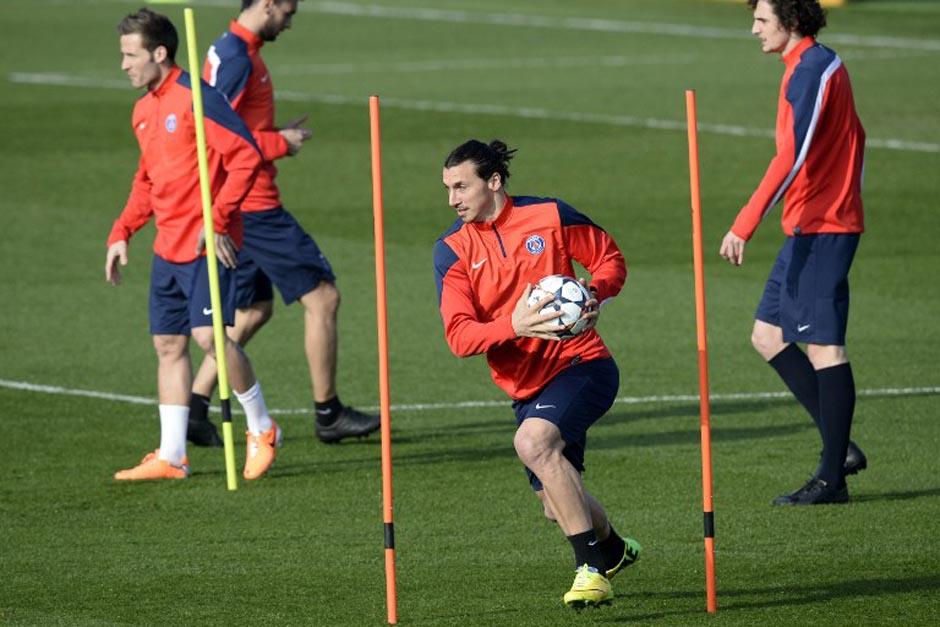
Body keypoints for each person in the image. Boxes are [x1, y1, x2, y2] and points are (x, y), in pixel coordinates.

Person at [433, 140, 642, 608]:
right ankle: (613, 549)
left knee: (533, 444)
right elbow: (460, 337)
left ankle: (590, 571)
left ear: (493, 181)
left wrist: (595, 293)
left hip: (582, 364)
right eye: (447, 189)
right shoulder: (451, 250)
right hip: (525, 386)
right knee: (555, 505)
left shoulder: (550, 216)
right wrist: (515, 325)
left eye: (461, 186)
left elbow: (609, 259)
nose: (452, 200)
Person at [185, 0, 380, 447]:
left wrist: (274, 135)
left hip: (239, 205)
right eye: (287, 12)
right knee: (324, 297)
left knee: (255, 310)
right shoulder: (237, 59)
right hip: (252, 205)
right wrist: (277, 143)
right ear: (268, 4)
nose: (289, 23)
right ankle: (328, 413)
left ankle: (195, 409)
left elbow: (231, 126)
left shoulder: (234, 50)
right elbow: (210, 133)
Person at [107, 8, 281, 481]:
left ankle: (262, 427)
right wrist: (122, 231)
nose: (123, 64)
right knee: (168, 344)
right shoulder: (143, 110)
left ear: (160, 53)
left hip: (208, 245)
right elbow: (147, 181)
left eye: (131, 55)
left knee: (211, 339)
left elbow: (245, 155)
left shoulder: (197, 99)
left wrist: (219, 218)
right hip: (168, 246)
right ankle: (172, 455)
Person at [719, 0, 867, 505]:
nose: (754, 29)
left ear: (792, 21)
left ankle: (832, 478)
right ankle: (841, 447)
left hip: (825, 227)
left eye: (762, 20)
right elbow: (857, 136)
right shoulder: (804, 66)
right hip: (807, 225)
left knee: (825, 349)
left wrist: (744, 223)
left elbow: (793, 154)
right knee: (767, 336)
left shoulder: (812, 70)